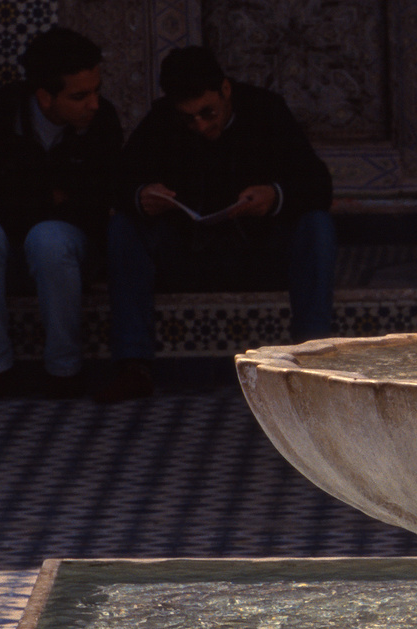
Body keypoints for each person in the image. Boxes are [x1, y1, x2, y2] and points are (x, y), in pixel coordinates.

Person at [102, 46, 336, 403]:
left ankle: (311, 357)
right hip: (190, 253)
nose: (201, 125)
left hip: (256, 250)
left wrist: (274, 196)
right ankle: (133, 364)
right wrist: (143, 196)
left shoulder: (265, 110)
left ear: (226, 90)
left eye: (208, 113)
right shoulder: (162, 121)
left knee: (317, 226)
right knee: (124, 228)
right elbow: (119, 181)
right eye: (189, 118)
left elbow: (317, 183)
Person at [0, 27, 122, 400]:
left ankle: (64, 370)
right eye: (80, 96)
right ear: (45, 97)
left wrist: (31, 199)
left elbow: (97, 205)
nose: (94, 104)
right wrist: (46, 197)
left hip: (64, 253)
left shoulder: (101, 124)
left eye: (96, 91)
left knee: (50, 239)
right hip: (3, 246)